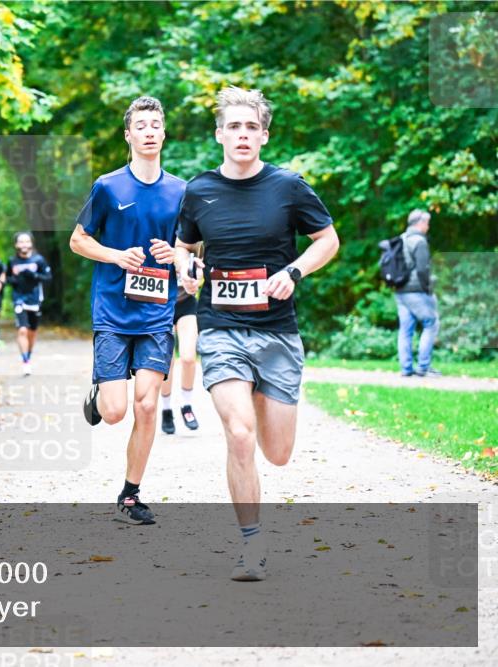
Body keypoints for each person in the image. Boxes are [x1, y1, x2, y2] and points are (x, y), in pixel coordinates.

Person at [173, 86, 339, 581]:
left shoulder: (288, 187)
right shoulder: (199, 190)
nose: (242, 134)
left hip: (277, 333)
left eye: (252, 127)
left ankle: (264, 429)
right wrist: (187, 269)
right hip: (221, 327)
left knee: (278, 453)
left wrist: (294, 272)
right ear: (219, 134)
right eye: (234, 126)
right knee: (240, 434)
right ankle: (251, 543)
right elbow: (184, 247)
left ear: (264, 136)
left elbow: (327, 240)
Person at [70, 95, 185, 526]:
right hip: (113, 311)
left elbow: (193, 249)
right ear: (128, 135)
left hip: (157, 312)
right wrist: (116, 256)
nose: (149, 132)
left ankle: (131, 494)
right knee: (116, 411)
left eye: (155, 125)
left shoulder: (181, 191)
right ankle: (99, 396)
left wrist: (177, 255)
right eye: (141, 126)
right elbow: (78, 240)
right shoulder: (108, 186)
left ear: (164, 133)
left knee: (147, 406)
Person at [159, 243, 203, 434]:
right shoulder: (158, 236)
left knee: (188, 358)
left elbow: (202, 268)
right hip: (161, 305)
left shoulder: (191, 238)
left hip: (186, 304)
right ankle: (166, 409)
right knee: (167, 361)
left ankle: (187, 405)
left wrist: (197, 277)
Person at [394, 209, 440, 377]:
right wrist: (428, 288)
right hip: (417, 291)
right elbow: (422, 270)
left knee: (405, 330)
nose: (428, 227)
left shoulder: (401, 239)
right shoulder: (419, 241)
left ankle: (406, 369)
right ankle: (423, 367)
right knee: (431, 323)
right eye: (427, 223)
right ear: (420, 223)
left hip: (400, 291)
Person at [7, 231, 53, 376]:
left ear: (31, 243)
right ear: (16, 244)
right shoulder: (12, 261)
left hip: (35, 298)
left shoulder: (38, 260)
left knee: (32, 332)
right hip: (19, 298)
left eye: (27, 241)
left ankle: (28, 354)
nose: (24, 244)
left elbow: (48, 277)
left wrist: (34, 275)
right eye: (21, 242)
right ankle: (25, 361)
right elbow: (7, 278)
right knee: (22, 330)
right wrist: (13, 280)